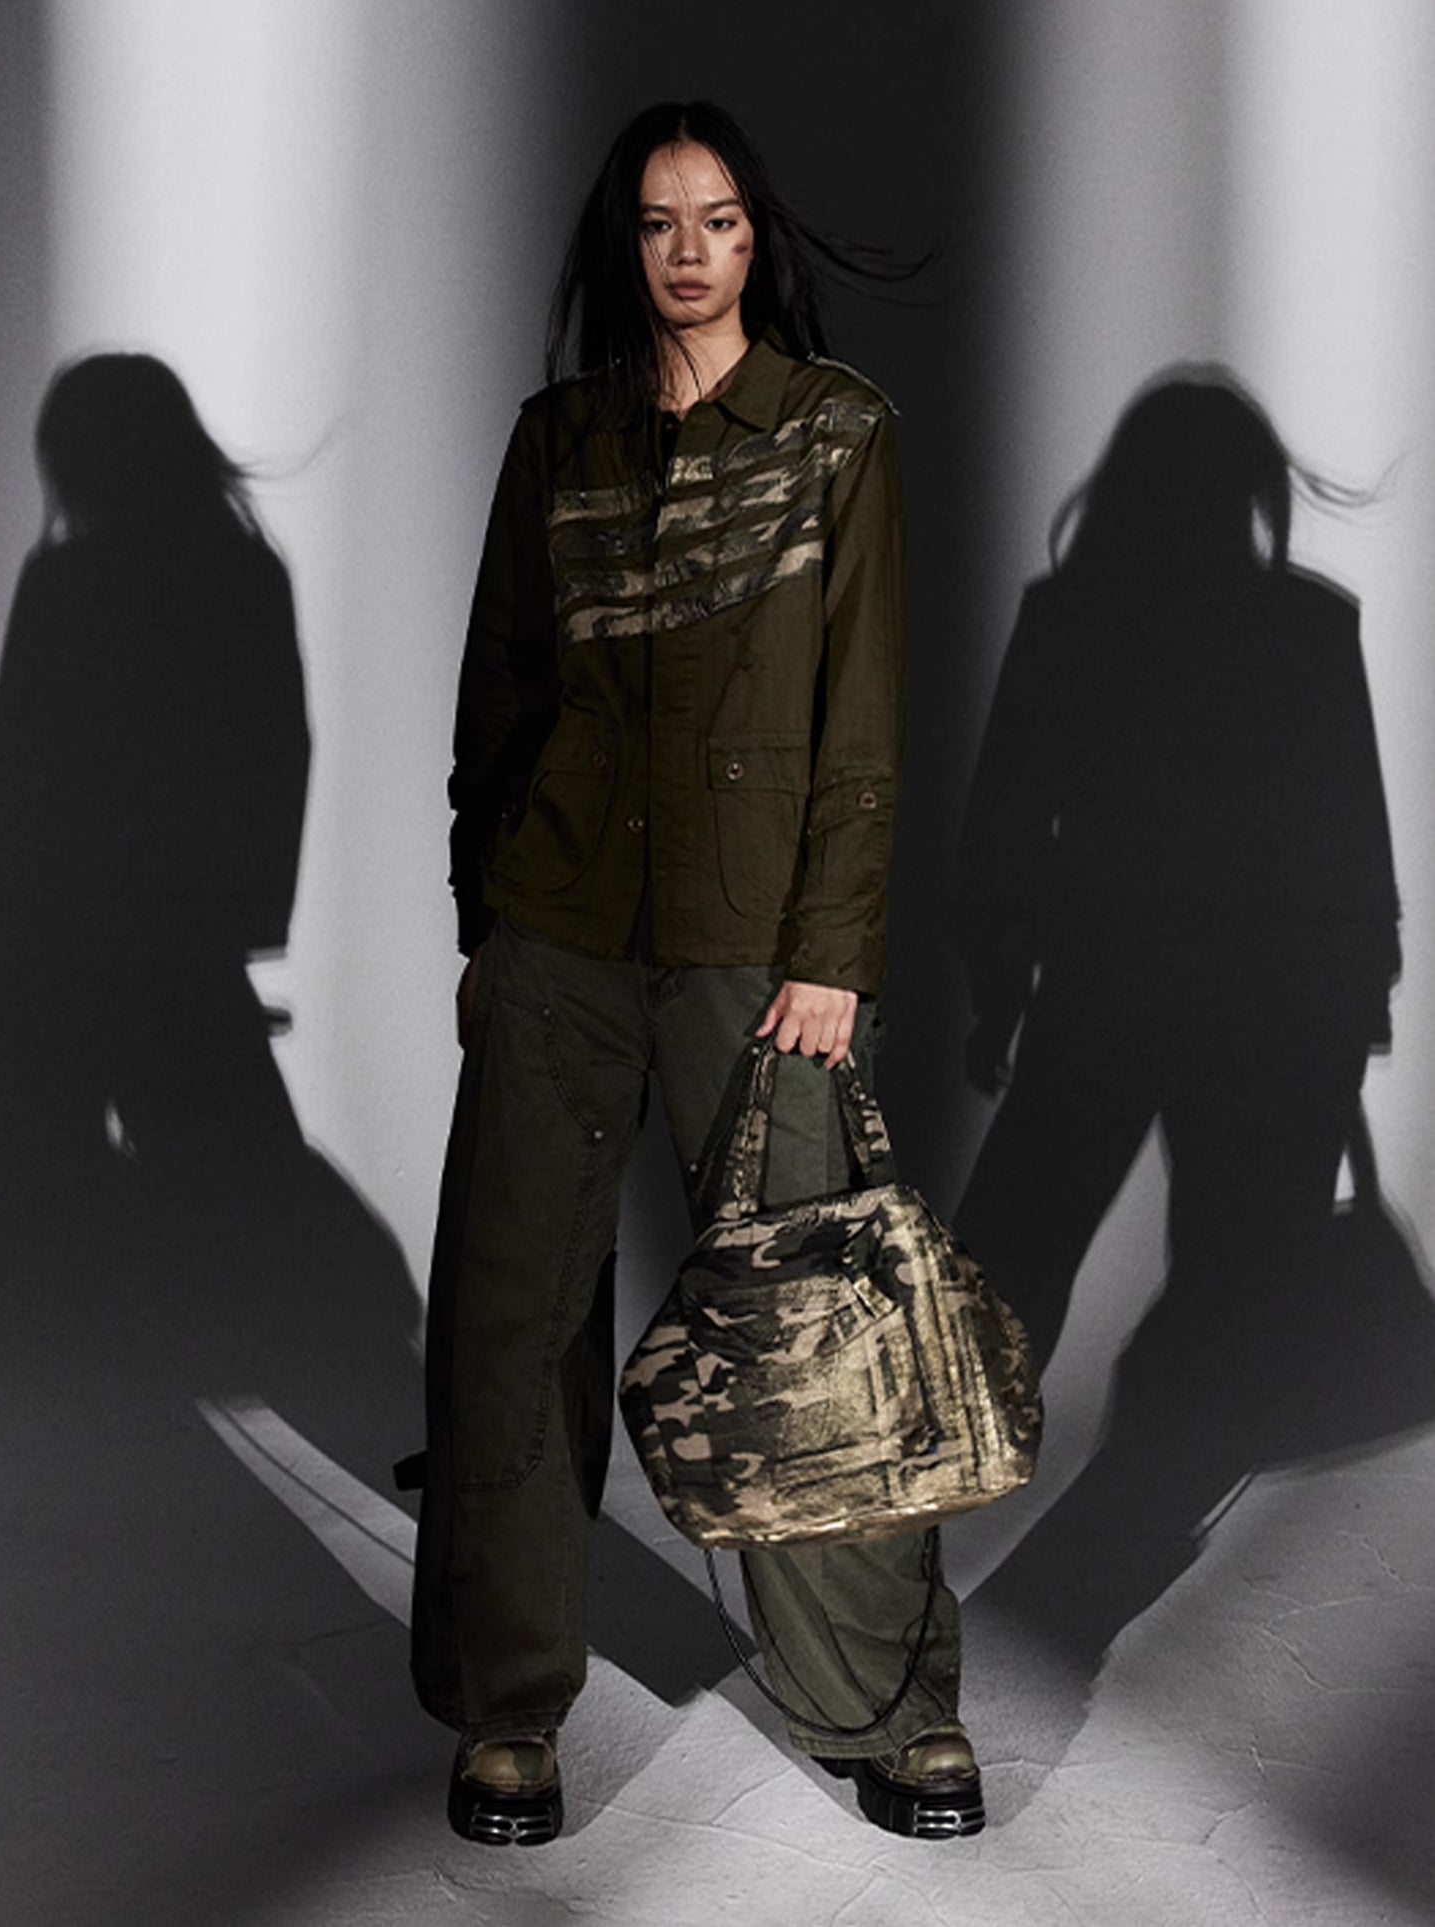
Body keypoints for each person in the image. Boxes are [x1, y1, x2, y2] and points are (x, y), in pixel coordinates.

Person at [411, 101, 977, 1846]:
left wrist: (834, 954)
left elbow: (862, 721)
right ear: (625, 242)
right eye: (659, 222)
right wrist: (482, 922)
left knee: (807, 1316)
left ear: (756, 241)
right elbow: (500, 696)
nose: (687, 251)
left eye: (717, 220)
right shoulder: (559, 440)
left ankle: (892, 1708)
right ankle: (508, 1709)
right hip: (560, 932)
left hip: (756, 947)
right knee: (511, 1318)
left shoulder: (834, 433)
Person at [953, 366, 1401, 1378]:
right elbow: (1346, 837)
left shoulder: (1067, 620)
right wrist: (1357, 999)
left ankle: (934, 1465)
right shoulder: (1306, 625)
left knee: (999, 1284)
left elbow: (1004, 825)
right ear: (1249, 490)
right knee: (1229, 1302)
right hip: (1268, 1006)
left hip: (1100, 988)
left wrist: (997, 991)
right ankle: (1160, 1464)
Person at [0, 353, 308, 1225]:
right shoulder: (246, 578)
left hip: (56, 941)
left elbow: (16, 768)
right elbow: (278, 755)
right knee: (249, 1215)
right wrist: (243, 916)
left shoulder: (62, 582)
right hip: (188, 948)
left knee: (37, 1199)